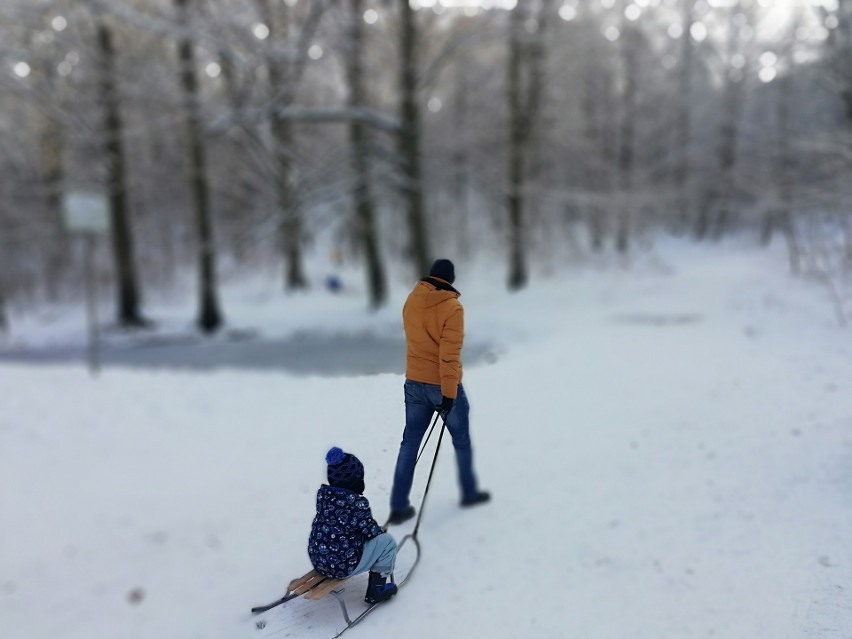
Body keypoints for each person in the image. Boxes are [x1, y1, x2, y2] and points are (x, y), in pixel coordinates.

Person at [388, 259, 490, 525]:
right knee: (462, 440)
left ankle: (398, 506)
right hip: (443, 386)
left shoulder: (411, 299)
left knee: (409, 444)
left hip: (414, 383)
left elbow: (415, 341)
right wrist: (448, 393)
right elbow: (448, 355)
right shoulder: (452, 307)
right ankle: (469, 492)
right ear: (451, 279)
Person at [308, 447, 398, 604]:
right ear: (355, 480)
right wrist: (380, 532)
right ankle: (376, 590)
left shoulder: (324, 497)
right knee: (387, 543)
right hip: (341, 565)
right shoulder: (355, 503)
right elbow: (370, 531)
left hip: (319, 559)